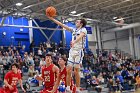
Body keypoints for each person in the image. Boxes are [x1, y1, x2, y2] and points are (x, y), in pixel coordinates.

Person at [47, 15, 87, 92]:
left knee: (76, 70)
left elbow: (80, 36)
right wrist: (52, 19)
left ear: (81, 24)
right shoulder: (73, 30)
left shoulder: (83, 29)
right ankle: (68, 87)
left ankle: (78, 88)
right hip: (72, 51)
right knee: (68, 70)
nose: (76, 22)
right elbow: (62, 25)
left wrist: (74, 41)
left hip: (79, 51)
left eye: (77, 21)